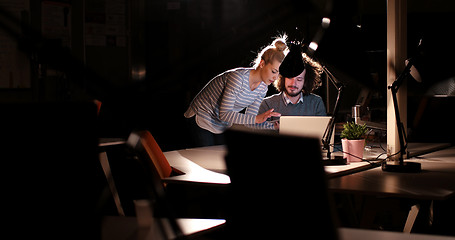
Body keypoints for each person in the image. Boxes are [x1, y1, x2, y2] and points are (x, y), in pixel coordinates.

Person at [184, 35, 287, 147]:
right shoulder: (238, 78)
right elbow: (225, 114)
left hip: (221, 124)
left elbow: (251, 121)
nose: (276, 77)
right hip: (201, 116)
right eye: (273, 71)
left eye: (278, 73)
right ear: (262, 64)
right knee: (206, 159)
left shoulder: (262, 88)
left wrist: (273, 126)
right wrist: (256, 119)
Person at [258, 42, 326, 126]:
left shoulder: (316, 103)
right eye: (290, 78)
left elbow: (323, 133)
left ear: (305, 81)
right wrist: (274, 128)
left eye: (299, 79)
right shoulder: (268, 104)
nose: (293, 83)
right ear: (283, 78)